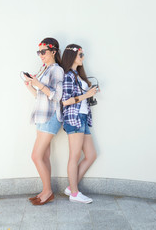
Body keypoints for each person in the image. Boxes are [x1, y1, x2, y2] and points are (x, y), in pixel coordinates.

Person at [24, 37, 64, 205]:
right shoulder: (46, 70)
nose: (40, 55)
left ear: (53, 51)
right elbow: (41, 97)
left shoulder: (56, 70)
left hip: (50, 117)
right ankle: (46, 190)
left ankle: (48, 192)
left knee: (36, 156)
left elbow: (58, 96)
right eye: (39, 52)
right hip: (41, 116)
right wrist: (31, 86)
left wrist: (39, 84)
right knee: (44, 156)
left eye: (43, 52)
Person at [61, 44, 98, 203]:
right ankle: (75, 194)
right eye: (80, 55)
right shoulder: (68, 75)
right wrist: (86, 95)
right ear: (72, 56)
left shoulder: (78, 75)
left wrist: (91, 93)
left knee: (91, 155)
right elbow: (65, 101)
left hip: (83, 117)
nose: (83, 58)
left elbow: (80, 96)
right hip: (74, 118)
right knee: (74, 156)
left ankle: (71, 187)